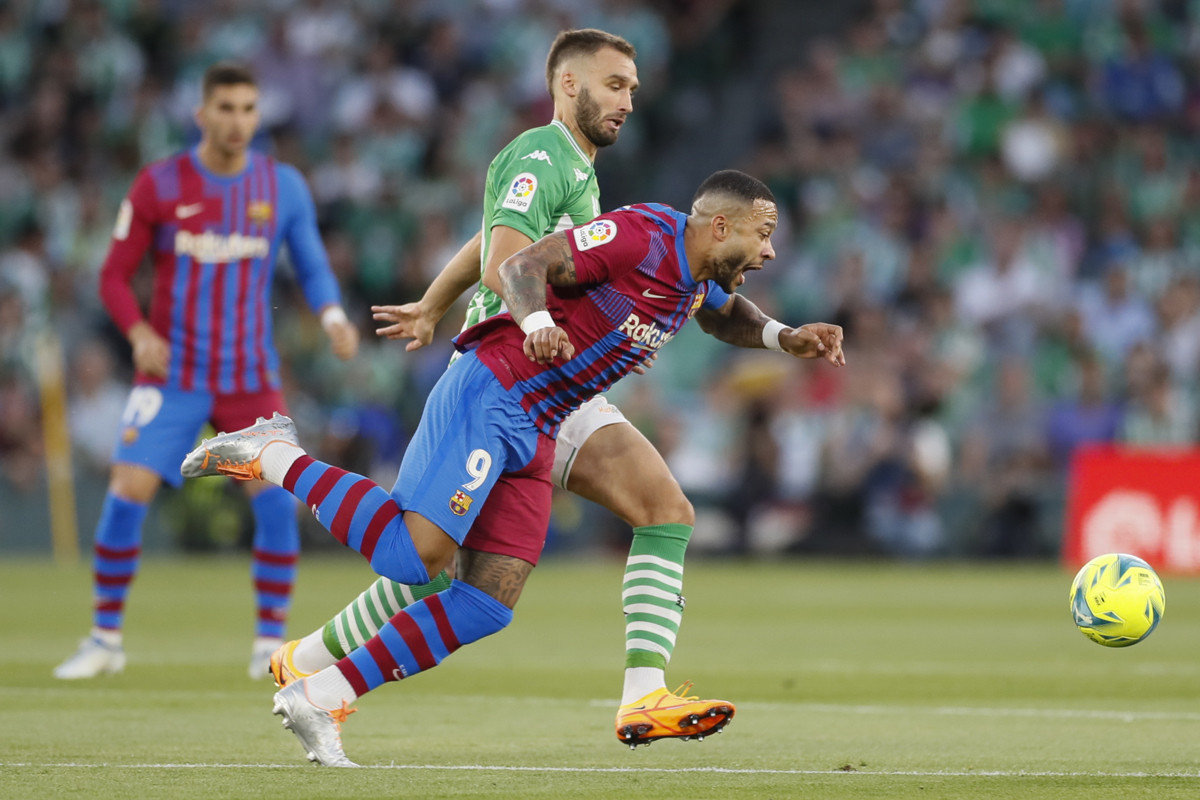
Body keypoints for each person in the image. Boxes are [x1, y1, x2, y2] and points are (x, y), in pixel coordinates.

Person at [182, 169, 845, 766]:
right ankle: (273, 453)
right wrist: (532, 323)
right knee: (415, 559)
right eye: (763, 235)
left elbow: (726, 317)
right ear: (719, 225)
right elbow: (525, 263)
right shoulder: (644, 235)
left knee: (487, 602)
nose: (770, 251)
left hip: (543, 424)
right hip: (496, 390)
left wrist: (782, 337)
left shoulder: (696, 282)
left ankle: (320, 693)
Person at [265, 27, 739, 748]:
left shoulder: (578, 175)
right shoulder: (543, 154)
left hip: (560, 388)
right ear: (569, 84)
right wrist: (539, 317)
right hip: (515, 371)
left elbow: (493, 238)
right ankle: (280, 493)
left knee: (629, 521)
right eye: (615, 86)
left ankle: (311, 667)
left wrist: (431, 302)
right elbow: (508, 262)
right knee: (433, 552)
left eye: (634, 90)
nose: (628, 102)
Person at [53, 62, 360, 682]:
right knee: (125, 493)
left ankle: (267, 643)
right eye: (225, 108)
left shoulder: (284, 186)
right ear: (201, 115)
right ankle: (104, 638)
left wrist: (332, 317)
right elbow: (113, 275)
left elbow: (312, 265)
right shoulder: (160, 185)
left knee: (275, 501)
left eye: (248, 109)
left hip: (249, 377)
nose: (238, 120)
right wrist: (138, 333)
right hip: (173, 374)